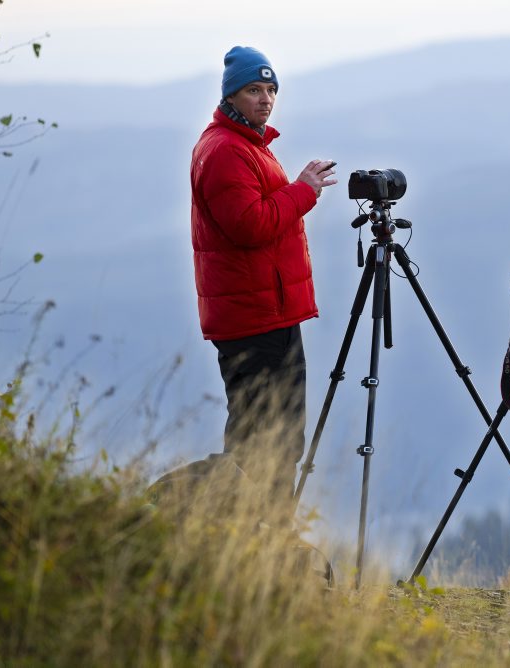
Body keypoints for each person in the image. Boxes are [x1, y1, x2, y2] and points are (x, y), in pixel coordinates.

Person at [187, 45, 336, 507]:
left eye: (271, 89)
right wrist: (304, 191)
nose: (266, 99)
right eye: (255, 89)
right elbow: (250, 225)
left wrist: (297, 188)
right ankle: (243, 538)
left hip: (268, 313)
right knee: (262, 440)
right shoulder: (227, 151)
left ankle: (261, 542)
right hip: (254, 319)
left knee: (279, 437)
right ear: (232, 95)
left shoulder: (248, 146)